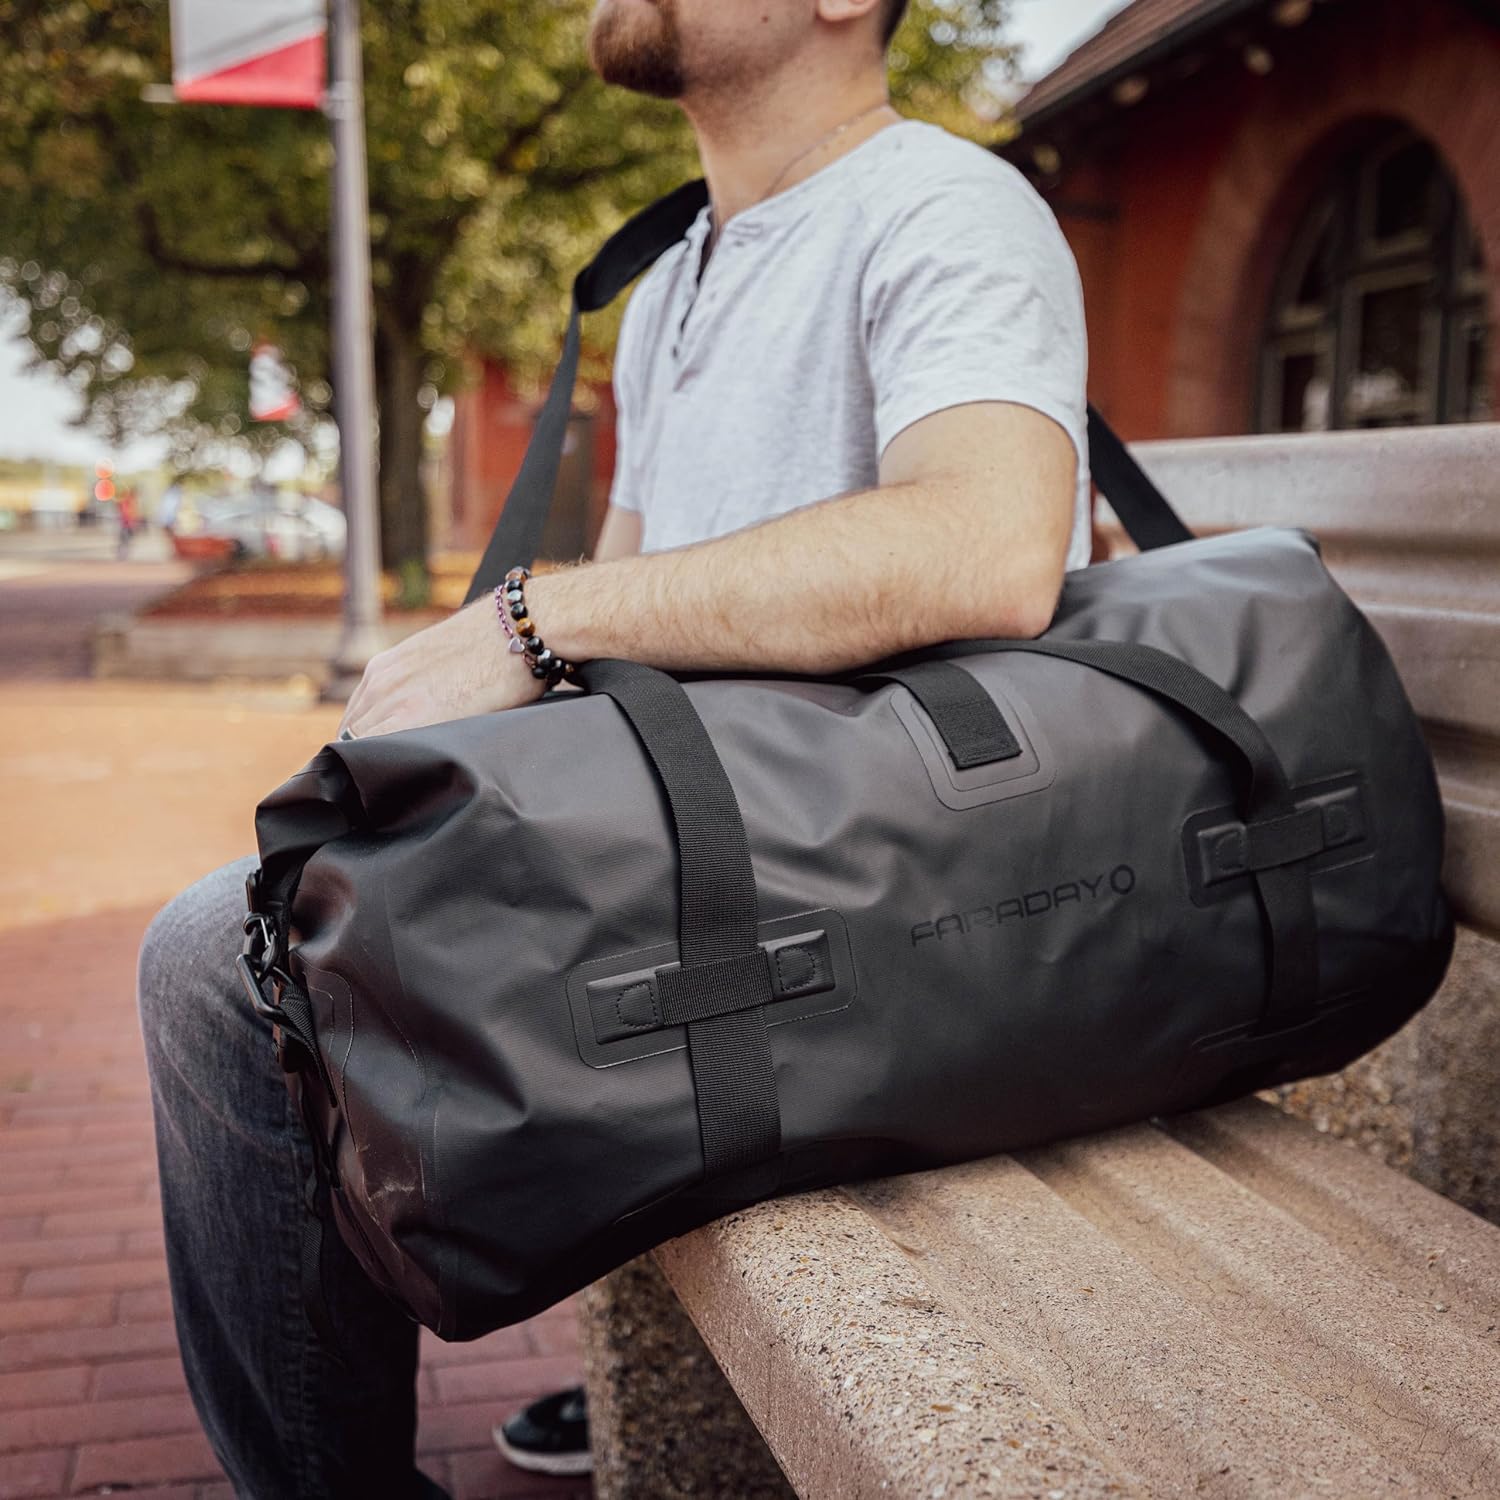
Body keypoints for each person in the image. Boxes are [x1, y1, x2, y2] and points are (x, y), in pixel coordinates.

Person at [136, 0, 1091, 1493]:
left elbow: (991, 545)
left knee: (223, 956)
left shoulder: (947, 206)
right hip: (703, 847)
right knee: (310, 878)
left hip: (881, 897)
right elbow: (612, 634)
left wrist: (528, 622)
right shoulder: (671, 281)